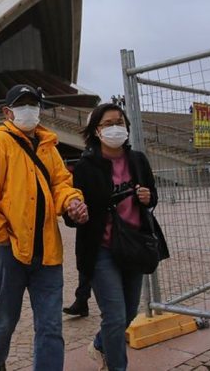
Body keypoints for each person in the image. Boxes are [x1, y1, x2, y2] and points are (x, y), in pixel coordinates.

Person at [0, 84, 88, 371]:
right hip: (9, 250)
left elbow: (61, 183)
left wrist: (72, 201)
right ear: (7, 112)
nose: (29, 110)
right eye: (21, 105)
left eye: (33, 104)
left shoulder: (48, 146)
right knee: (6, 315)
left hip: (47, 251)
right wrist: (1, 240)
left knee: (50, 325)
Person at [66, 103, 160, 371]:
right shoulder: (85, 167)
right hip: (102, 250)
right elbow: (71, 214)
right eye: (108, 124)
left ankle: (99, 344)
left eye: (120, 122)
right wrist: (75, 214)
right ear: (96, 130)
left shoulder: (138, 160)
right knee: (115, 316)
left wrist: (148, 197)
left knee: (129, 313)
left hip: (134, 245)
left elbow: (152, 196)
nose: (116, 128)